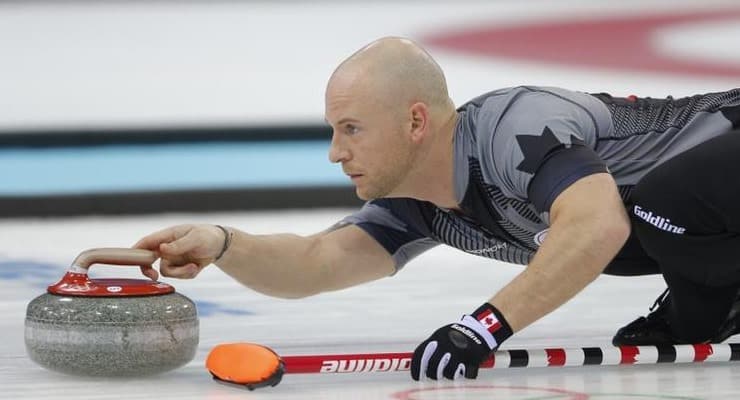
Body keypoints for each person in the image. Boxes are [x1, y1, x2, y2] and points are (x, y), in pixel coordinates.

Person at [134, 37, 740, 381]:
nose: (335, 153)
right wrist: (222, 243)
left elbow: (596, 223)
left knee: (660, 206)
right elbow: (316, 262)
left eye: (351, 129)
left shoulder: (514, 129)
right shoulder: (419, 204)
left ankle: (705, 310)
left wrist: (482, 326)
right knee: (663, 214)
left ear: (416, 121)